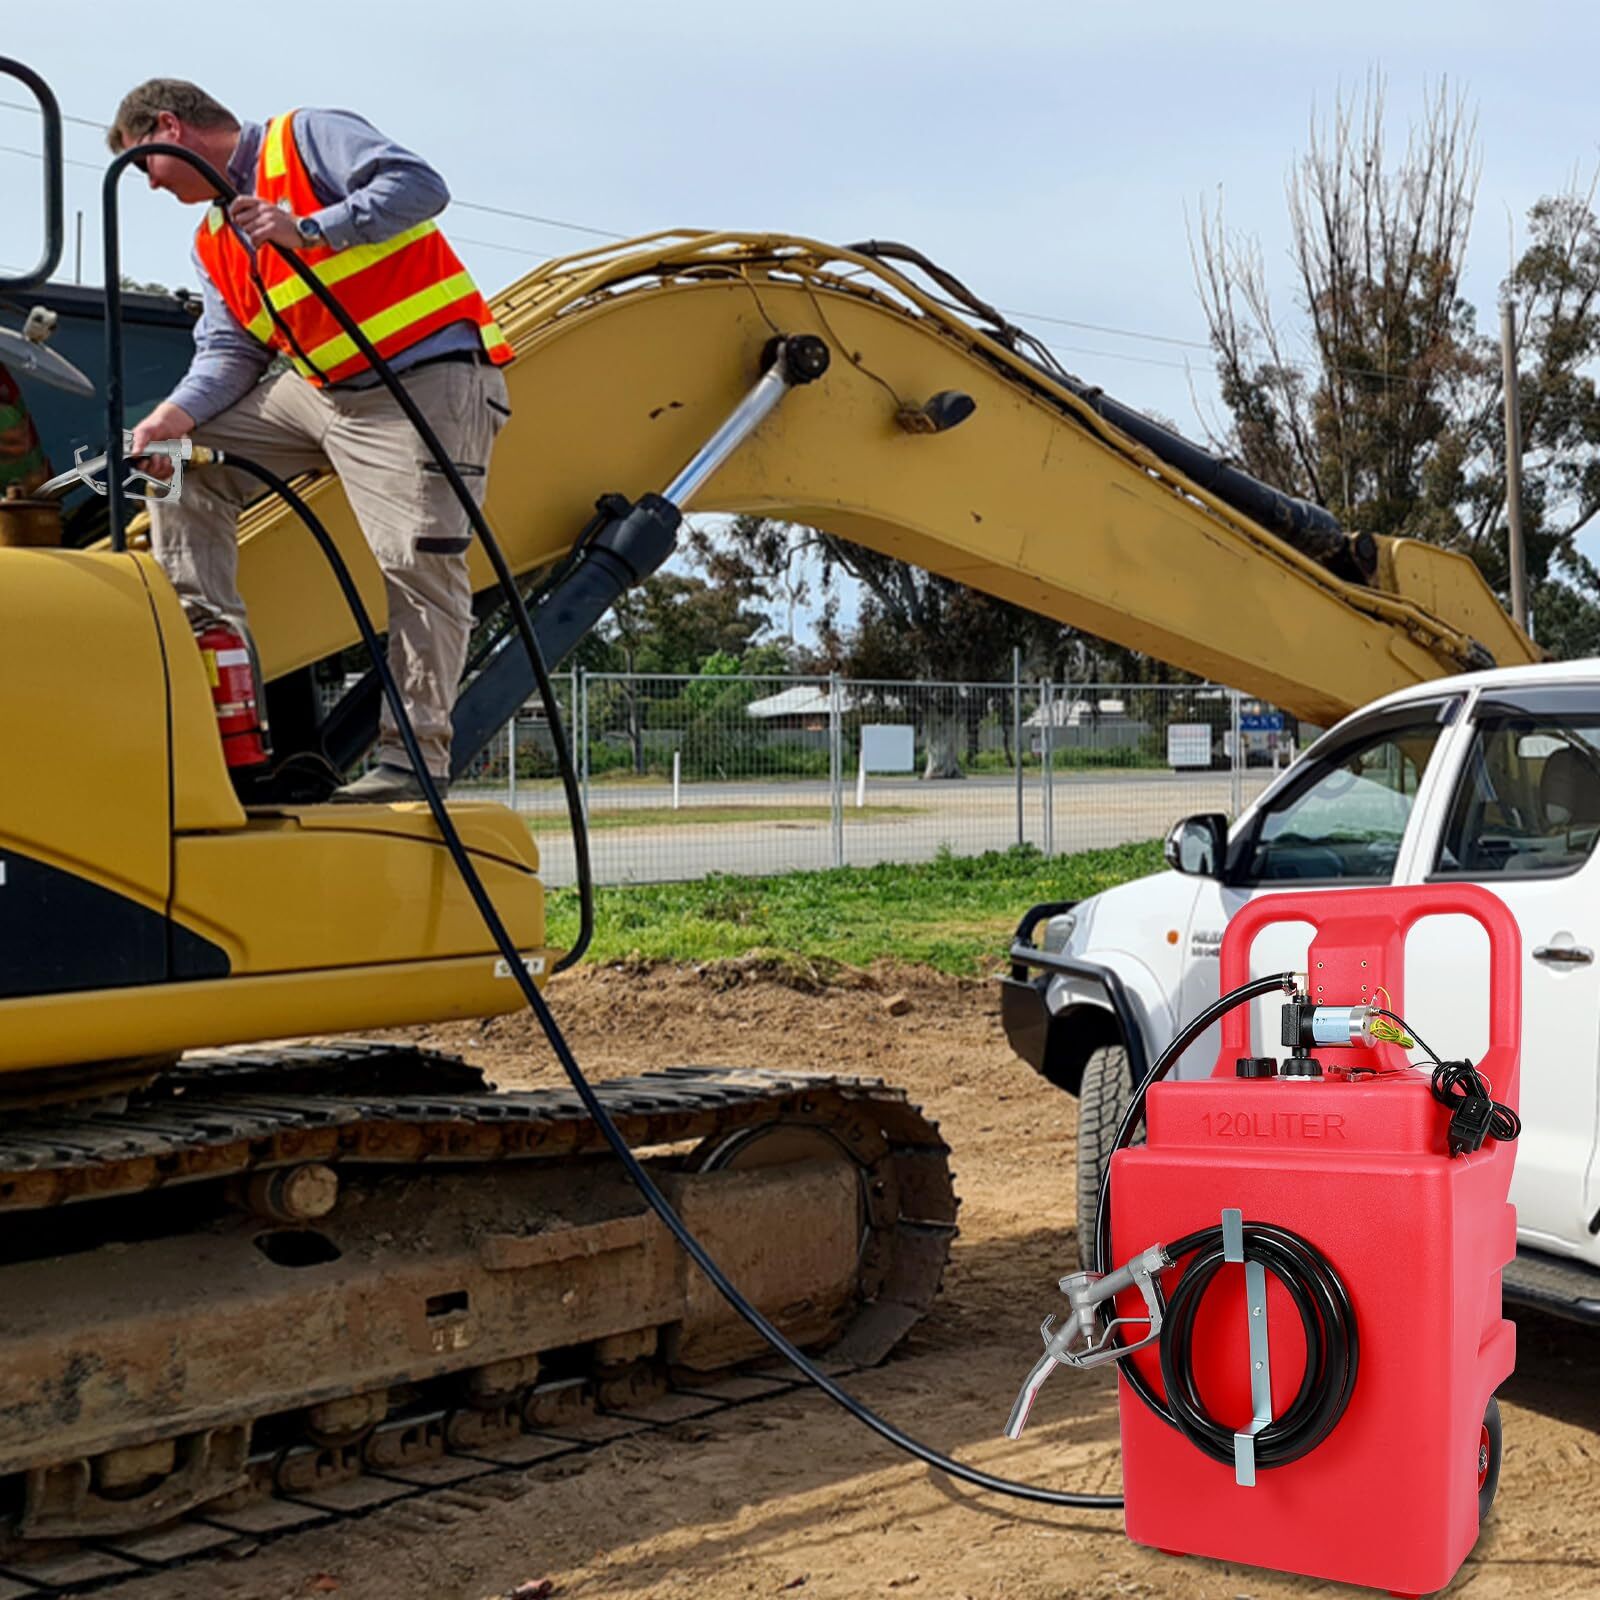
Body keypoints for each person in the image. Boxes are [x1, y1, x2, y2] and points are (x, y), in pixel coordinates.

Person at [110, 79, 513, 802]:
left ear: (168, 126)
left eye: (145, 164)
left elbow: (422, 185)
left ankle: (411, 762)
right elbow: (230, 352)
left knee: (416, 564)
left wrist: (312, 228)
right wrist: (172, 415)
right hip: (318, 392)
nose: (147, 185)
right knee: (178, 465)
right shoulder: (213, 239)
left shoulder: (306, 137)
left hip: (420, 382)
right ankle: (225, 717)